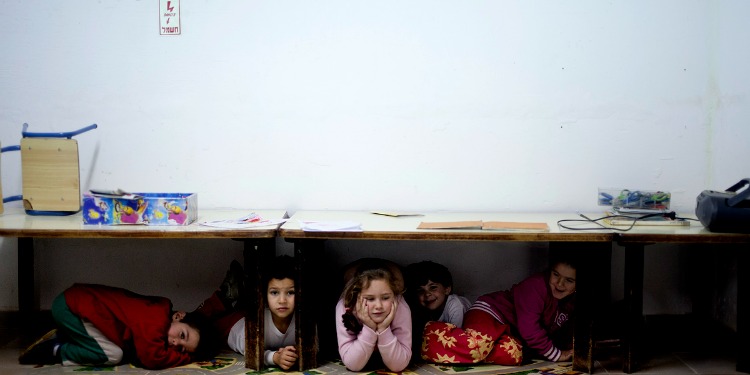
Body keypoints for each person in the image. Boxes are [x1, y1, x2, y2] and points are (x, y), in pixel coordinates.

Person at [421, 253, 577, 365]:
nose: (560, 283)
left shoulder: (571, 301)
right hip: (490, 313)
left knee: (514, 354)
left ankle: (475, 351)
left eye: (569, 280)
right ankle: (429, 333)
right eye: (556, 274)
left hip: (510, 332)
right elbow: (530, 329)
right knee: (475, 346)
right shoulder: (536, 286)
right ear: (549, 272)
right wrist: (556, 355)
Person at [18, 283, 218, 369]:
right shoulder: (155, 320)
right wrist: (186, 358)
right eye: (182, 335)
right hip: (71, 307)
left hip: (77, 306)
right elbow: (153, 358)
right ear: (178, 316)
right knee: (113, 355)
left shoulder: (157, 314)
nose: (174, 343)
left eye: (181, 348)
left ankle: (71, 336)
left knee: (119, 349)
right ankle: (58, 349)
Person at [194, 257, 298, 370]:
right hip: (230, 326)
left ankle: (239, 296)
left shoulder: (303, 321)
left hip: (246, 313)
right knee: (200, 321)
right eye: (274, 292)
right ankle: (225, 294)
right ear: (264, 295)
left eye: (290, 292)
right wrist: (275, 357)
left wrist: (294, 352)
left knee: (243, 308)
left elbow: (313, 347)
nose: (282, 300)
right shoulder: (253, 326)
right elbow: (251, 350)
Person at [336, 258, 412, 372]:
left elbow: (398, 365)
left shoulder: (399, 305)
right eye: (370, 299)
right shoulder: (345, 306)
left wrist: (383, 329)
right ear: (356, 295)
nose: (378, 305)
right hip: (358, 357)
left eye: (386, 297)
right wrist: (369, 328)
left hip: (390, 358)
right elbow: (353, 365)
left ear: (394, 295)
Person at [405, 260, 472, 328]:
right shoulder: (426, 310)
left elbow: (457, 336)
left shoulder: (456, 305)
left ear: (447, 289)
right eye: (421, 291)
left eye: (433, 287)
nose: (427, 294)